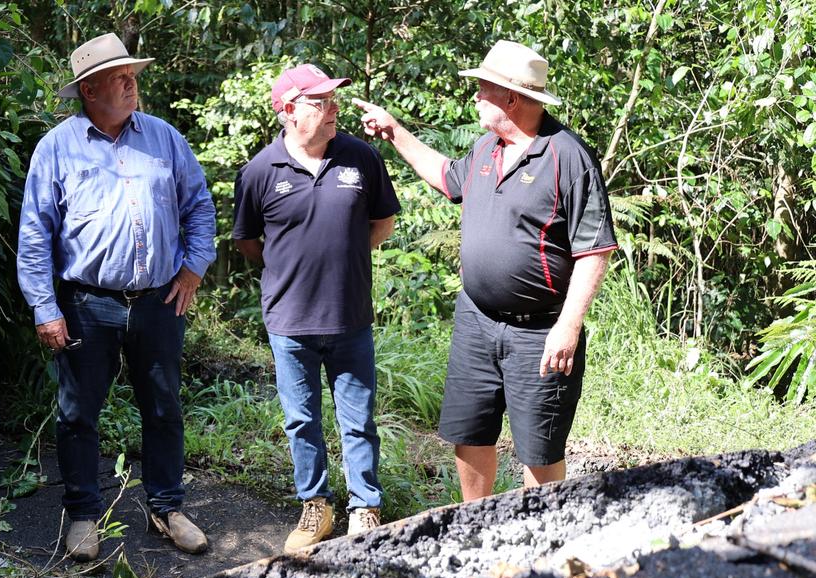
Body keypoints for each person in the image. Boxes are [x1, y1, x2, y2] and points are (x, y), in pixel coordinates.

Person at [352, 40, 616, 500]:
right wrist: (395, 131)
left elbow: (594, 251)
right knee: (468, 431)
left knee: (539, 446)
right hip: (476, 321)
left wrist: (568, 328)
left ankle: (541, 535)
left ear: (511, 98)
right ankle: (475, 521)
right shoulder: (487, 148)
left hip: (540, 330)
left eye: (481, 90)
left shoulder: (567, 157)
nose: (474, 97)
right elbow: (446, 176)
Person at [17, 33, 216, 561]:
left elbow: (198, 204)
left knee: (164, 406)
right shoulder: (56, 148)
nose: (132, 83)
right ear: (87, 89)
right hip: (87, 303)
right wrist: (45, 307)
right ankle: (83, 515)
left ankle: (167, 508)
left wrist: (194, 268)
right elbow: (35, 234)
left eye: (133, 74)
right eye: (120, 76)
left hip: (158, 300)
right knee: (79, 412)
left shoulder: (164, 138)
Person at [232, 64, 400, 552]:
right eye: (319, 101)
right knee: (301, 419)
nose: (333, 109)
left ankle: (365, 508)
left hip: (349, 316)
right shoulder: (261, 170)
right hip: (289, 322)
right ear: (288, 111)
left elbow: (382, 223)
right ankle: (316, 506)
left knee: (358, 418)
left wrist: (340, 259)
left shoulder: (360, 157)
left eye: (333, 100)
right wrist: (292, 271)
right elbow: (247, 240)